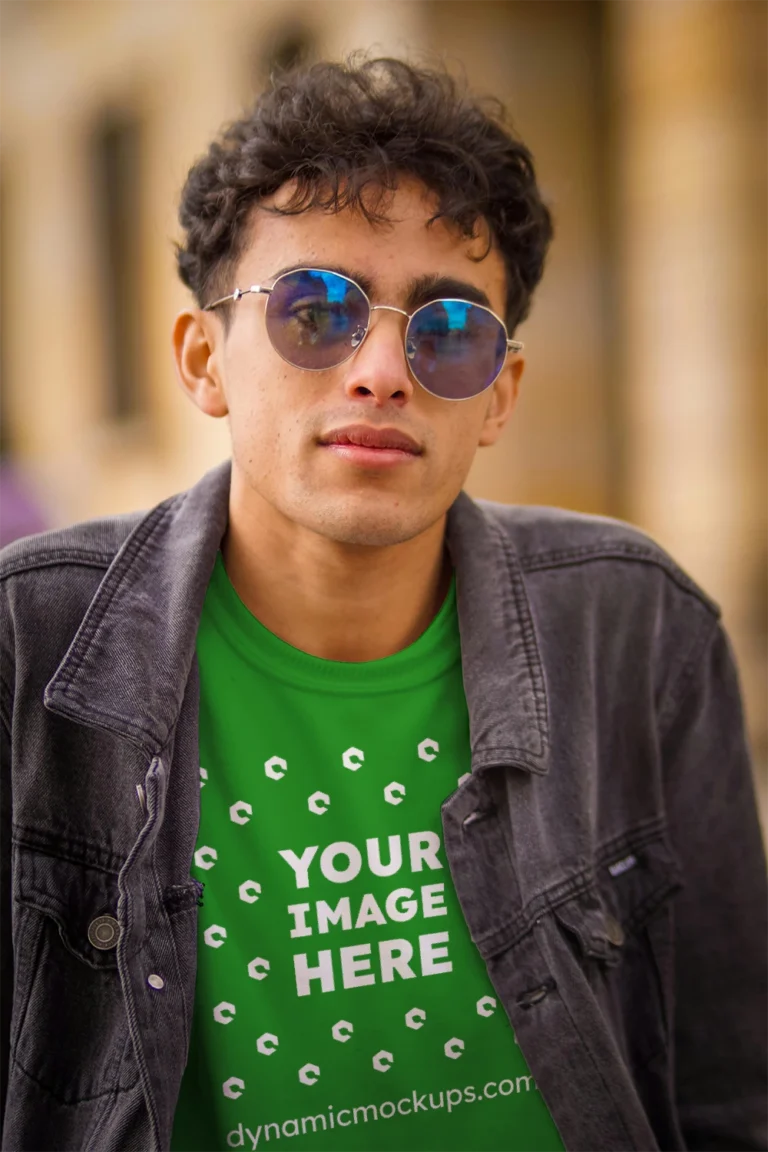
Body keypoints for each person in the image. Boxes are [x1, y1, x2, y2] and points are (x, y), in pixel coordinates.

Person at [0, 56, 766, 1152]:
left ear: (499, 393)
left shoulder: (635, 627)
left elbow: (728, 1092)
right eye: (316, 311)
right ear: (204, 359)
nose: (383, 368)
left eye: (450, 330)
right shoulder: (28, 645)